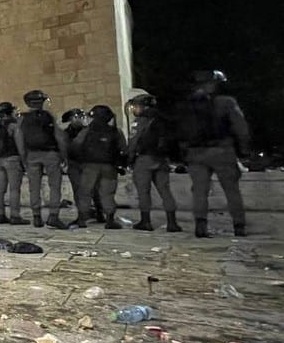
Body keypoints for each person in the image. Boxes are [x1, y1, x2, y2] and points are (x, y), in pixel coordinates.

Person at [176, 70, 250, 238]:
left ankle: (200, 227)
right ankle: (239, 226)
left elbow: (180, 130)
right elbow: (241, 127)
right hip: (222, 150)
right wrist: (244, 149)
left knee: (199, 192)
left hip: (195, 153)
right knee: (232, 190)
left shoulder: (189, 104)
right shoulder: (226, 102)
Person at [127, 93, 182, 232]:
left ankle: (145, 222)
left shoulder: (141, 120)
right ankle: (172, 223)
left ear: (142, 106)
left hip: (144, 159)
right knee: (165, 191)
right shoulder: (163, 119)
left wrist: (129, 158)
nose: (135, 109)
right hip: (162, 159)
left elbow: (133, 141)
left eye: (136, 106)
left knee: (144, 192)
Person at [16, 89, 68, 228]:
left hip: (32, 155)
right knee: (54, 186)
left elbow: (19, 139)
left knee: (34, 187)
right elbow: (59, 137)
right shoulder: (49, 116)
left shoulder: (22, 118)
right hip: (51, 154)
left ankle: (37, 217)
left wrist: (23, 157)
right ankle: (53, 216)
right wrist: (64, 155)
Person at [71, 105, 126, 229]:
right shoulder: (116, 131)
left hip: (89, 166)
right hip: (109, 167)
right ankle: (110, 220)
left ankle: (81, 219)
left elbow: (75, 146)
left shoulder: (87, 131)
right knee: (107, 193)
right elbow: (123, 149)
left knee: (85, 192)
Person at [62, 108, 104, 223]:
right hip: (74, 164)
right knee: (78, 190)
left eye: (80, 116)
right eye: (76, 117)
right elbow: (65, 148)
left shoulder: (89, 131)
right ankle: (82, 215)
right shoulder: (66, 133)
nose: (79, 119)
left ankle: (99, 212)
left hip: (89, 163)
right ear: (71, 119)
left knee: (95, 189)